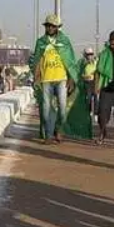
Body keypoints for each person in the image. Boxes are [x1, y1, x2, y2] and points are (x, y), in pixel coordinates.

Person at [29, 14, 80, 144]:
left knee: (62, 109)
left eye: (53, 26)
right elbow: (37, 61)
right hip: (46, 80)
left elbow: (70, 62)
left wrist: (71, 79)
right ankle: (48, 135)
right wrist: (36, 78)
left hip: (61, 79)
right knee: (46, 109)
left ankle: (59, 129)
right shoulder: (41, 42)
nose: (50, 28)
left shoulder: (65, 41)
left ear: (57, 27)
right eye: (48, 25)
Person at [80, 48, 98, 114]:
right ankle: (89, 111)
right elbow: (81, 74)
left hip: (94, 82)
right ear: (85, 55)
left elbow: (99, 70)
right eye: (88, 54)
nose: (90, 56)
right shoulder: (83, 64)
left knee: (96, 97)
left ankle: (96, 113)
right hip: (87, 83)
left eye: (91, 54)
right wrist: (85, 76)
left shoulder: (96, 62)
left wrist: (95, 73)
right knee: (88, 98)